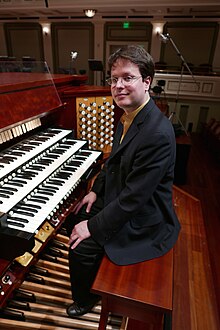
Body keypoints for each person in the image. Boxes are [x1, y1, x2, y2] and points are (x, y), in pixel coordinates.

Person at [65, 45, 181, 318]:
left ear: (146, 81)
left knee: (80, 246)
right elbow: (113, 161)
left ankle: (85, 300)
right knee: (77, 214)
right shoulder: (129, 117)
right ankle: (92, 269)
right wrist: (96, 190)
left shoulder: (157, 133)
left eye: (127, 77)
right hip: (122, 195)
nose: (118, 85)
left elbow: (134, 200)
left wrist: (91, 228)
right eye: (113, 79)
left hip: (144, 218)